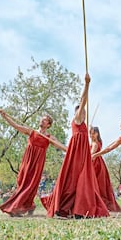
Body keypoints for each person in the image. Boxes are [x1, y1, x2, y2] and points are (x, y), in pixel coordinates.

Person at [42, 73, 109, 219]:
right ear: (78, 112)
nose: (84, 112)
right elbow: (83, 100)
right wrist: (87, 84)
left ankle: (77, 208)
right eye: (82, 111)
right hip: (77, 152)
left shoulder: (83, 123)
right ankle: (67, 208)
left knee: (79, 179)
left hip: (81, 152)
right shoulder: (77, 118)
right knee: (75, 178)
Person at [0, 110, 67, 217]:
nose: (42, 120)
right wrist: (5, 117)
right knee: (22, 182)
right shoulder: (32, 132)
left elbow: (62, 147)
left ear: (48, 125)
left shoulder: (49, 137)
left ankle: (15, 208)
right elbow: (16, 126)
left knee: (31, 185)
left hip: (37, 164)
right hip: (28, 161)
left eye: (45, 120)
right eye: (42, 119)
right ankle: (29, 206)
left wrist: (74, 151)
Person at [90, 126, 121, 212]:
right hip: (100, 163)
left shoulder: (95, 143)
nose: (91, 135)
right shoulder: (99, 141)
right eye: (90, 133)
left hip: (95, 164)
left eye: (93, 133)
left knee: (96, 183)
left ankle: (98, 202)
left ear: (97, 133)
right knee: (100, 184)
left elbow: (91, 153)